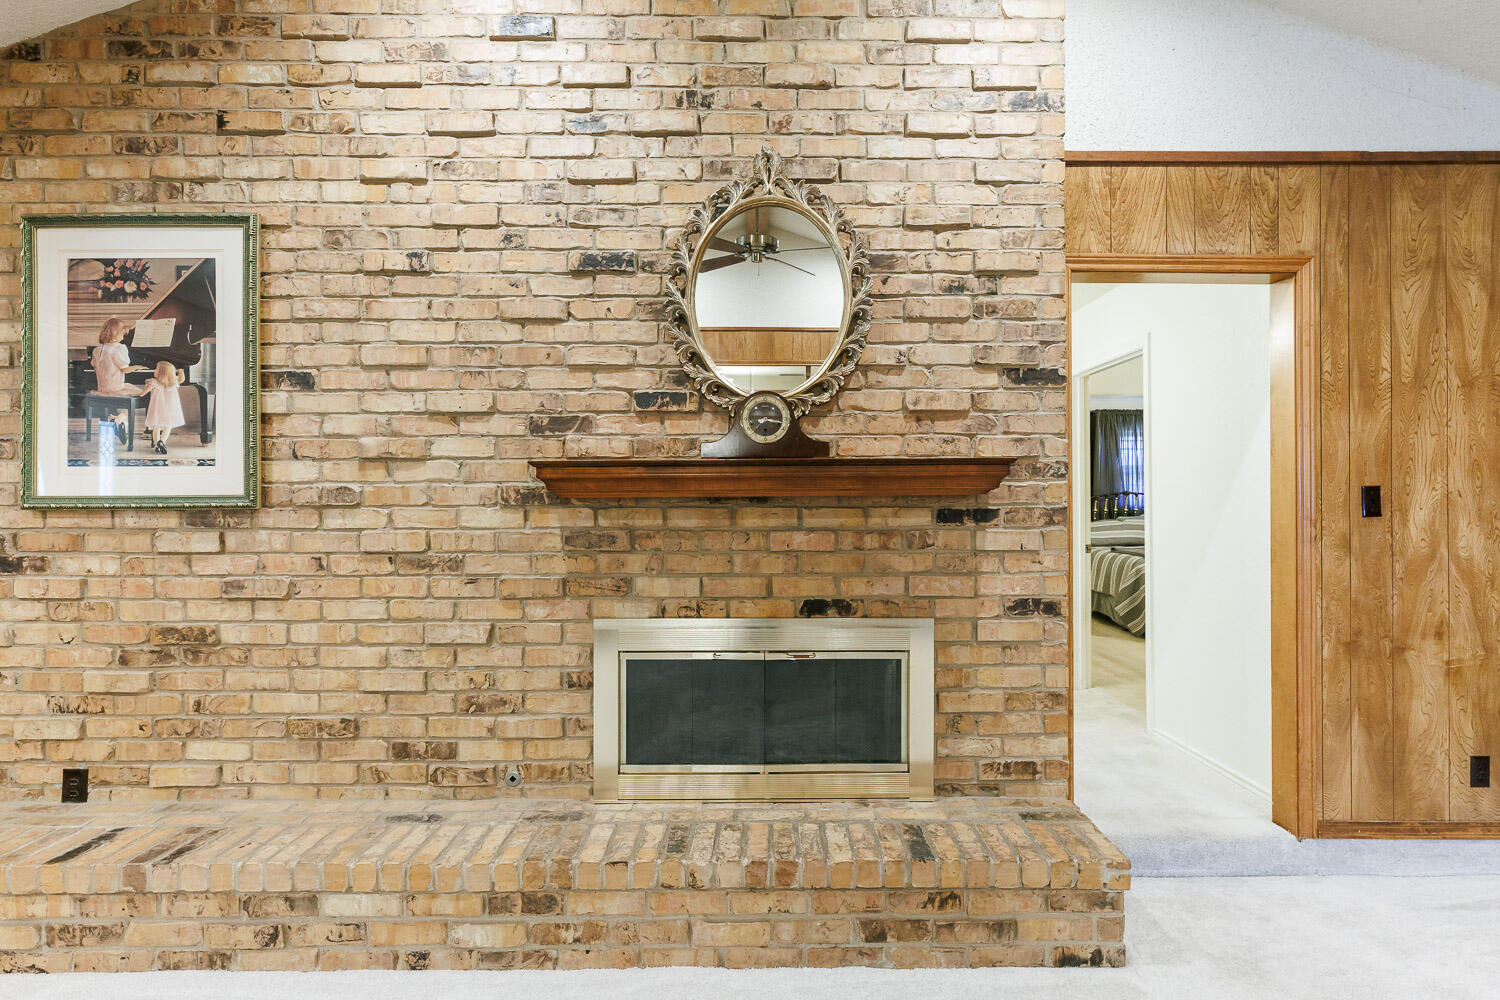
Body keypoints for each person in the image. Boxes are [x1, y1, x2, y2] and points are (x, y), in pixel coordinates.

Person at [90, 317, 147, 441]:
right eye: (122, 334)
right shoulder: (118, 348)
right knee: (143, 394)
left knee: (126, 401)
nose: (123, 337)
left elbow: (94, 366)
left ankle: (115, 418)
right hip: (117, 388)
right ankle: (119, 419)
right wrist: (136, 367)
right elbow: (125, 369)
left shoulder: (97, 349)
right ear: (117, 334)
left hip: (102, 389)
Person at [143, 362, 186, 455]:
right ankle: (162, 441)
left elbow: (144, 391)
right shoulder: (174, 382)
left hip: (157, 409)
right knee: (168, 426)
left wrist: (145, 386)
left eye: (156, 369)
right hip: (170, 410)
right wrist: (180, 371)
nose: (154, 370)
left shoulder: (153, 382)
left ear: (161, 373)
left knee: (156, 427)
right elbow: (182, 379)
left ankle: (157, 443)